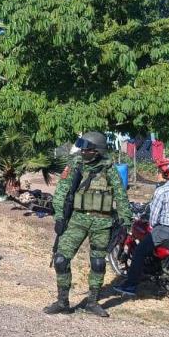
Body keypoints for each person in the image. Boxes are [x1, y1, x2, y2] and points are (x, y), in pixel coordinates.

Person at [45, 131, 132, 318]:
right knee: (61, 260)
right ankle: (62, 302)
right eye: (83, 148)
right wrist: (59, 218)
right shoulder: (75, 165)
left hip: (102, 223)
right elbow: (61, 192)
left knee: (98, 263)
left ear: (97, 151)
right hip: (77, 220)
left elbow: (121, 196)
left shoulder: (109, 169)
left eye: (88, 149)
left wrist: (126, 221)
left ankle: (92, 302)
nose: (83, 152)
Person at [114, 158, 169, 297]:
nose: (157, 174)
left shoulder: (161, 191)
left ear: (167, 173)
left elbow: (153, 218)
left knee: (139, 251)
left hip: (165, 231)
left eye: (160, 171)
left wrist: (150, 225)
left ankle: (130, 285)